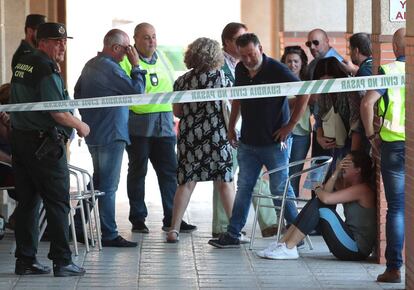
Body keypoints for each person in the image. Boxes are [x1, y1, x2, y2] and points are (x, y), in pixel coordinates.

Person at [208, 33, 309, 248]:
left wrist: (290, 126)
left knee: (279, 188)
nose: (248, 60)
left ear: (260, 49)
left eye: (252, 54)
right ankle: (233, 233)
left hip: (275, 142)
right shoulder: (240, 69)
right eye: (243, 56)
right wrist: (231, 126)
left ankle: (295, 233)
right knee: (244, 186)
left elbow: (305, 93)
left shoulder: (277, 69)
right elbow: (238, 97)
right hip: (248, 142)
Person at [10, 22, 88, 277]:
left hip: (21, 142)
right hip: (43, 145)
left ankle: (25, 260)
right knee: (57, 203)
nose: (62, 45)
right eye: (56, 41)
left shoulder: (23, 63)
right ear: (42, 42)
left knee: (28, 203)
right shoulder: (46, 69)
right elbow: (58, 112)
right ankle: (62, 261)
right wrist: (81, 126)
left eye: (64, 41)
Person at [119, 22, 196, 234]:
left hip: (163, 125)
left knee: (170, 172)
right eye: (146, 37)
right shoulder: (127, 61)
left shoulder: (161, 56)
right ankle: (138, 218)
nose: (151, 41)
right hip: (139, 125)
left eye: (153, 36)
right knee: (137, 172)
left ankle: (172, 218)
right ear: (135, 39)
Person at [74, 29, 145, 247]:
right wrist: (135, 66)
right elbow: (137, 91)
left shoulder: (91, 64)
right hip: (111, 133)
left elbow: (78, 92)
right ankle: (109, 233)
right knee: (108, 187)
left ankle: (76, 226)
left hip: (96, 132)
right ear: (115, 48)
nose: (128, 52)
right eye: (126, 48)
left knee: (98, 181)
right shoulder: (110, 67)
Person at [166, 37, 235, 243]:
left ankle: (174, 230)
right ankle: (234, 230)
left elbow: (177, 112)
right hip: (217, 135)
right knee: (225, 182)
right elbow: (232, 106)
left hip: (190, 136)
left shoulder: (182, 81)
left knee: (186, 183)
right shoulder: (222, 78)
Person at [212, 22, 277, 239]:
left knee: (255, 176)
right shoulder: (217, 65)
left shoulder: (248, 64)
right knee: (225, 176)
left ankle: (270, 224)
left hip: (248, 128)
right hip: (225, 128)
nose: (245, 40)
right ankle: (223, 226)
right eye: (241, 37)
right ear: (229, 42)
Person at [256, 151, 376, 261]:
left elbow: (325, 198)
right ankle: (282, 244)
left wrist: (317, 188)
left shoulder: (363, 190)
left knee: (318, 204)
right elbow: (326, 195)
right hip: (348, 243)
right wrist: (336, 172)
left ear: (358, 170)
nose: (342, 166)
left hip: (356, 249)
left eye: (346, 163)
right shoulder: (348, 186)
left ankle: (289, 247)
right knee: (317, 203)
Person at [360, 28, 406, 283]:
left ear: (396, 48)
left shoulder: (388, 71)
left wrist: (370, 137)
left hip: (394, 148)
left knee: (397, 209)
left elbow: (367, 104)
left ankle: (394, 269)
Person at [313, 57, 362, 170]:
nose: (327, 88)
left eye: (330, 82)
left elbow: (356, 124)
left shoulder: (351, 90)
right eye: (322, 82)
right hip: (335, 142)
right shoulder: (323, 91)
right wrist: (319, 137)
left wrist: (352, 157)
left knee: (345, 173)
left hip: (354, 142)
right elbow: (320, 116)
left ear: (339, 78)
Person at [281, 46, 310, 197]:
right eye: (289, 61)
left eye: (296, 61)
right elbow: (279, 105)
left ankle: (293, 213)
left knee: (295, 173)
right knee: (281, 172)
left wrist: (301, 100)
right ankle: (281, 210)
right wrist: (301, 100)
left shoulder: (307, 82)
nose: (292, 65)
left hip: (302, 133)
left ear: (302, 63)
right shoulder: (278, 82)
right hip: (282, 133)